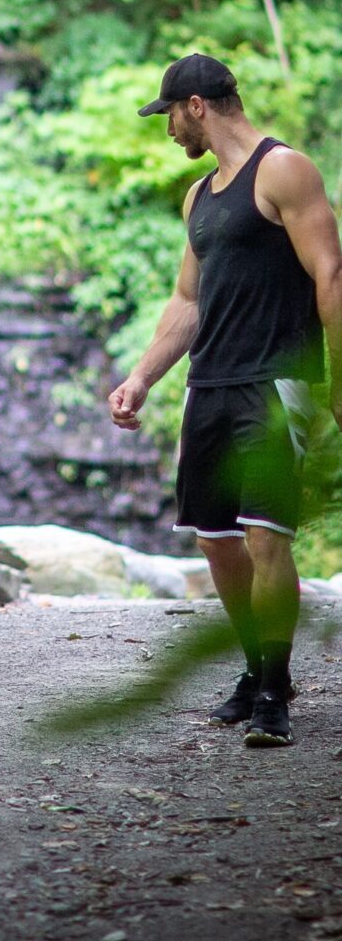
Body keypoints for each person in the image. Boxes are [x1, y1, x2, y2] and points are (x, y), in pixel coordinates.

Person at [108, 52, 342, 748]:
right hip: (208, 382)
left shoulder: (284, 171)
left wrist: (336, 384)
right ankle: (254, 670)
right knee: (219, 545)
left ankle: (274, 690)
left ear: (196, 106)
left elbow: (330, 277)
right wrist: (143, 376)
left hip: (277, 381)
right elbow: (188, 301)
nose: (169, 131)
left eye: (169, 116)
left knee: (268, 538)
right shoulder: (199, 196)